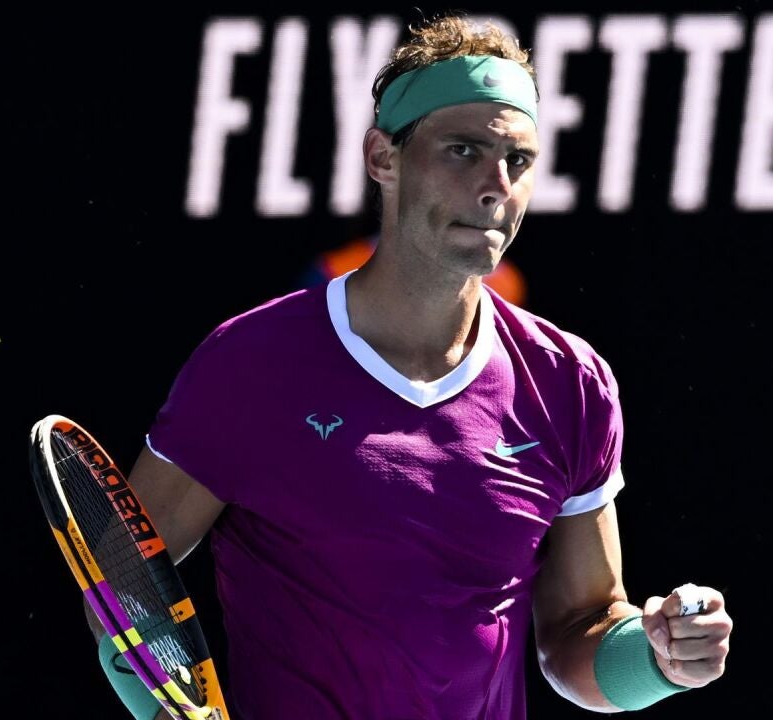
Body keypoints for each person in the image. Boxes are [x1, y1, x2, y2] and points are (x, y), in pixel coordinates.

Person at [88, 12, 732, 719]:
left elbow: (578, 634)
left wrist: (656, 658)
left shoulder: (570, 384)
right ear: (383, 157)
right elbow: (120, 588)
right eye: (463, 151)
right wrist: (164, 706)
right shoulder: (247, 365)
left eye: (518, 161)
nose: (495, 186)